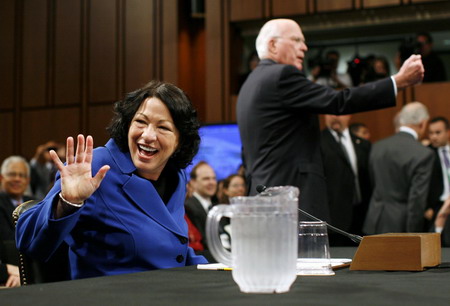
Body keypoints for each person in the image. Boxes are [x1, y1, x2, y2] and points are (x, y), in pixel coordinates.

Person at [16, 80, 208, 280]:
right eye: (141, 122)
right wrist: (68, 202)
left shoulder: (175, 174)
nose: (148, 135)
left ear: (180, 141)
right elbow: (29, 242)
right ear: (127, 125)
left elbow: (171, 249)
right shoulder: (96, 165)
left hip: (167, 291)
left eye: (163, 128)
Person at [237, 18, 424, 222]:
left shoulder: (250, 84)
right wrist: (397, 82)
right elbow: (338, 101)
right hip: (289, 203)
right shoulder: (282, 75)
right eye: (296, 40)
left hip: (262, 200)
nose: (304, 47)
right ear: (273, 45)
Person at [363, 102, 434, 234]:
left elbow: (374, 183)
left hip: (374, 220)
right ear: (423, 123)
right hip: (402, 225)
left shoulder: (377, 146)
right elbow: (417, 199)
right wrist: (414, 233)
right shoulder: (423, 154)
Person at [320, 115, 371, 245]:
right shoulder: (316, 143)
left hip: (362, 218)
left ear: (349, 115)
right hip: (333, 221)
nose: (334, 117)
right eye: (330, 112)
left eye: (339, 113)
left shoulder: (363, 144)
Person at [184, 161, 217, 260]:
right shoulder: (188, 207)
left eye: (214, 178)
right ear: (193, 182)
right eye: (206, 179)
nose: (211, 182)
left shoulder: (216, 207)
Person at [0, 156, 34, 242]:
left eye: (22, 175)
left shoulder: (36, 203)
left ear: (27, 181)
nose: (17, 179)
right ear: (2, 178)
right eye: (12, 174)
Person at [425, 117, 450, 227]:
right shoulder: (426, 153)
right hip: (437, 205)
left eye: (438, 132)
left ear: (448, 132)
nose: (434, 137)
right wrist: (426, 207)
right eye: (431, 133)